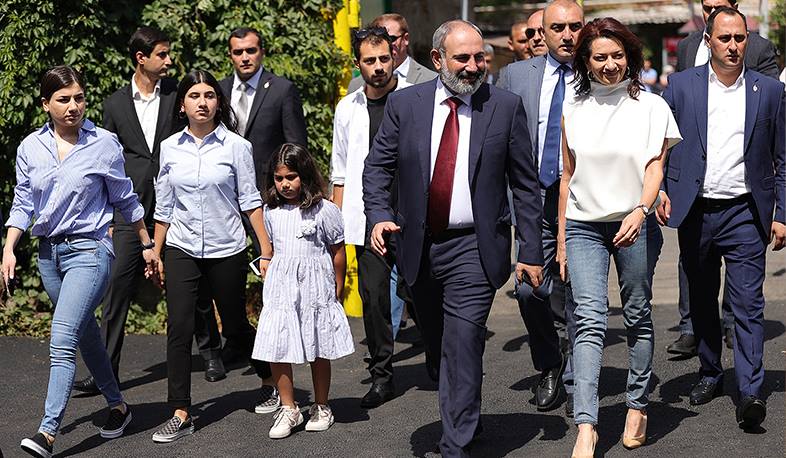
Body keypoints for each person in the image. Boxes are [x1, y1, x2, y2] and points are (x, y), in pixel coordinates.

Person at [363, 19, 544, 457]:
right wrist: (380, 215)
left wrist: (531, 252)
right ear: (438, 59)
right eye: (462, 58)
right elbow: (377, 167)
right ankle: (465, 412)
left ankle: (455, 445)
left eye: (479, 57)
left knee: (463, 344)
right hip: (418, 246)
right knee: (440, 347)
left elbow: (525, 185)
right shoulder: (405, 106)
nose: (473, 66)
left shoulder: (504, 106)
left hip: (474, 249)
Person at [4, 65, 159, 458]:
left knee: (62, 337)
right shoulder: (29, 148)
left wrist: (146, 243)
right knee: (86, 332)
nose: (73, 106)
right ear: (46, 104)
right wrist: (8, 248)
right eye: (63, 99)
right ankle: (119, 407)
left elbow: (125, 198)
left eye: (79, 97)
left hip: (91, 250)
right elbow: (24, 202)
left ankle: (47, 432)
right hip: (49, 256)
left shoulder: (103, 142)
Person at [72, 27, 226, 396]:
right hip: (130, 209)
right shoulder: (113, 104)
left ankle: (210, 354)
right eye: (162, 54)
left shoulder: (177, 95)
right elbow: (102, 161)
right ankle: (105, 369)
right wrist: (107, 215)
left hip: (180, 204)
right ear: (141, 58)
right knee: (117, 288)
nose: (169, 60)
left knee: (193, 283)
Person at [557, 18, 681, 456]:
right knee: (588, 321)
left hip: (635, 221)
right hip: (583, 225)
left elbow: (655, 167)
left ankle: (636, 403)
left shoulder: (652, 106)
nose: (610, 65)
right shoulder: (573, 107)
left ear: (629, 56)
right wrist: (560, 240)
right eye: (599, 57)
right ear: (586, 62)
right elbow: (567, 176)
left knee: (635, 313)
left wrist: (641, 209)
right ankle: (586, 424)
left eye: (617, 55)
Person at [660, 7, 785, 430]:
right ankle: (711, 371)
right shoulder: (680, 87)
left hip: (746, 212)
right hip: (696, 210)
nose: (733, 46)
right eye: (725, 38)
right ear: (708, 40)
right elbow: (659, 148)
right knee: (701, 300)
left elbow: (782, 159)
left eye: (740, 38)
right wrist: (661, 193)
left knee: (749, 305)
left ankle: (750, 390)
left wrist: (781, 213)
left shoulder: (767, 90)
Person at [149, 70, 271, 443]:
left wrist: (266, 249)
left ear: (219, 102)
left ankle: (269, 380)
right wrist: (155, 251)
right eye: (194, 96)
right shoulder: (169, 147)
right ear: (182, 105)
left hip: (227, 248)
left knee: (234, 325)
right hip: (181, 248)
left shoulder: (236, 146)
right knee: (180, 327)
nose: (202, 102)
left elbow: (250, 201)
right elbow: (164, 206)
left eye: (209, 95)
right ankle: (181, 410)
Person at [496, 0, 583, 417]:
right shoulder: (516, 76)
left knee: (580, 294)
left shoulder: (599, 68)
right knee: (530, 290)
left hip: (585, 202)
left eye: (575, 27)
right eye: (558, 28)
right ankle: (550, 362)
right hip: (534, 200)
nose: (567, 35)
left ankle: (574, 382)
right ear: (540, 35)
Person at [219, 26, 307, 411]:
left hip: (270, 205)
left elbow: (296, 147)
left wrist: (292, 200)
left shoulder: (282, 90)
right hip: (224, 206)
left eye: (251, 50)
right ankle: (238, 348)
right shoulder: (217, 91)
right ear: (229, 55)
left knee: (272, 292)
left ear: (262, 52)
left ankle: (276, 377)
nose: (244, 57)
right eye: (237, 52)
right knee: (229, 288)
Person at [331, 27, 411, 409]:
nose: (378, 67)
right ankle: (382, 375)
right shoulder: (348, 108)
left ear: (394, 55)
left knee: (422, 293)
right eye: (369, 61)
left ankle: (441, 362)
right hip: (366, 220)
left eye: (383, 59)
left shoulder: (414, 99)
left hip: (413, 216)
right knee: (374, 300)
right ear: (358, 64)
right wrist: (336, 229)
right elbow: (340, 171)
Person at [252, 143, 355, 439]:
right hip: (282, 286)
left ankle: (321, 405)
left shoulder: (324, 210)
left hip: (315, 285)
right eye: (279, 178)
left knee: (317, 343)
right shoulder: (271, 211)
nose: (285, 184)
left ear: (305, 176)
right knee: (277, 343)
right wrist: (267, 262)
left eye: (292, 177)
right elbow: (270, 248)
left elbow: (337, 250)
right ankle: (289, 407)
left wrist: (338, 283)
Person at [676, 0, 778, 79]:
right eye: (707, 8)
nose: (712, 14)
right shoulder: (686, 46)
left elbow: (772, 97)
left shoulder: (760, 48)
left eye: (719, 8)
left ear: (735, 8)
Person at [347, 14, 437, 93]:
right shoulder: (356, 85)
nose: (386, 44)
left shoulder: (430, 80)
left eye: (391, 39)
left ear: (406, 39)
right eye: (378, 40)